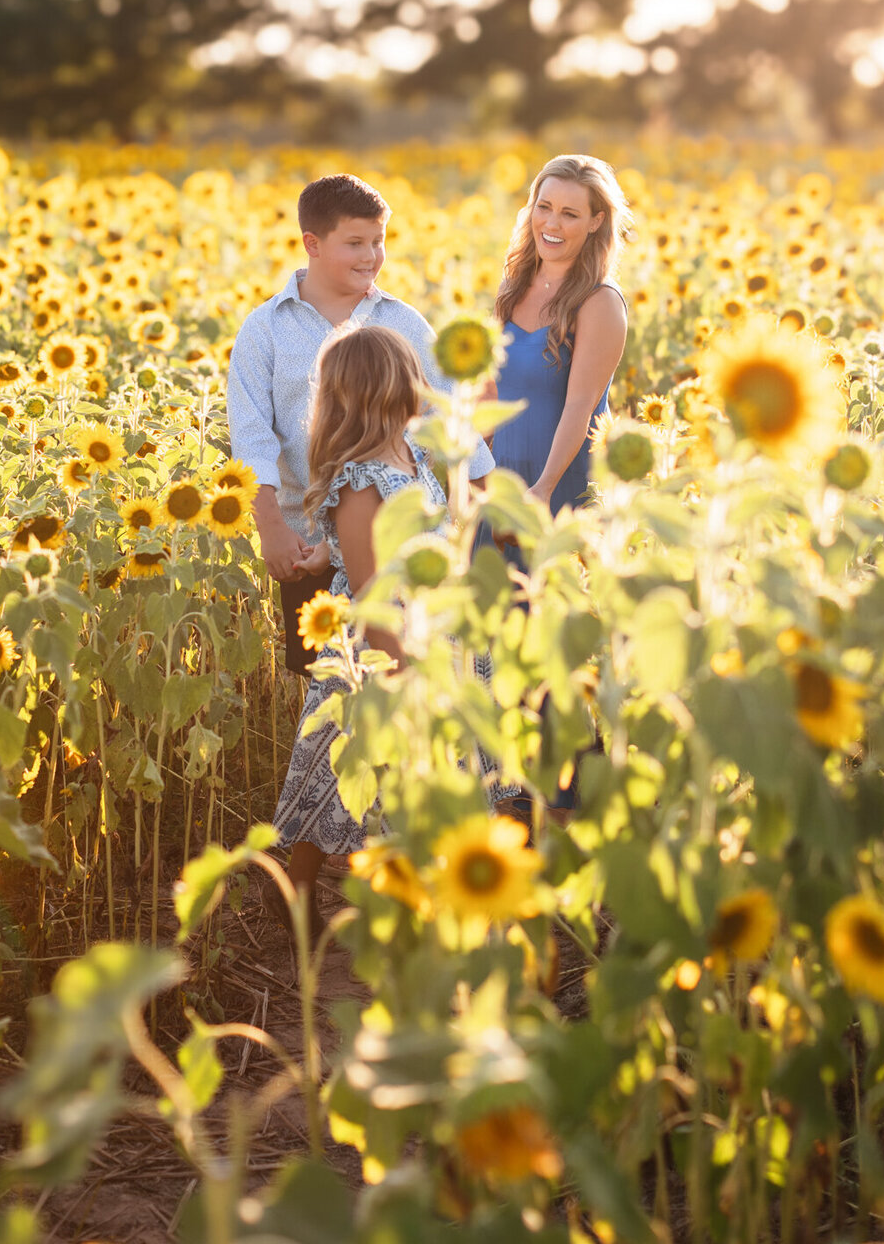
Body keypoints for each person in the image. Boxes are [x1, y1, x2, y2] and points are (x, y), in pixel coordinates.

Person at [226, 173, 493, 676]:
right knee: (331, 677)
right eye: (355, 243)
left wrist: (486, 506)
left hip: (402, 539)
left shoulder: (403, 321)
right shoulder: (266, 329)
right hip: (308, 540)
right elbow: (253, 437)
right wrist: (273, 530)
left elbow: (450, 416)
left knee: (412, 664)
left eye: (379, 241)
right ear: (313, 244)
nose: (371, 256)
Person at [270, 326, 445, 939]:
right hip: (372, 650)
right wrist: (397, 667)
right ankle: (295, 891)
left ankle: (406, 900)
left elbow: (366, 546)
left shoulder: (410, 455)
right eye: (411, 375)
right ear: (389, 389)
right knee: (332, 776)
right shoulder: (361, 479)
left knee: (397, 779)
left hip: (423, 629)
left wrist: (324, 553)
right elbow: (371, 590)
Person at [492, 154, 631, 514]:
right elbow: (487, 390)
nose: (551, 223)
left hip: (557, 487)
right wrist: (470, 472)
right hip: (499, 483)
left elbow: (579, 406)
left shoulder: (600, 302)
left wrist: (544, 488)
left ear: (595, 222)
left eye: (570, 214)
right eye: (544, 207)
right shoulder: (513, 286)